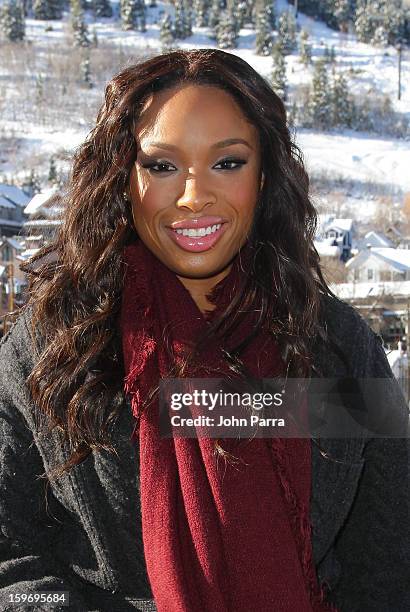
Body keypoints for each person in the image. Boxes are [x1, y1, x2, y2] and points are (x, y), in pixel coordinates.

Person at [0, 48, 408, 612]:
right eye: (162, 166)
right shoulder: (57, 350)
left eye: (227, 162)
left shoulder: (336, 347)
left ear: (265, 177)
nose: (194, 196)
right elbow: (9, 558)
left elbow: (387, 562)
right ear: (122, 177)